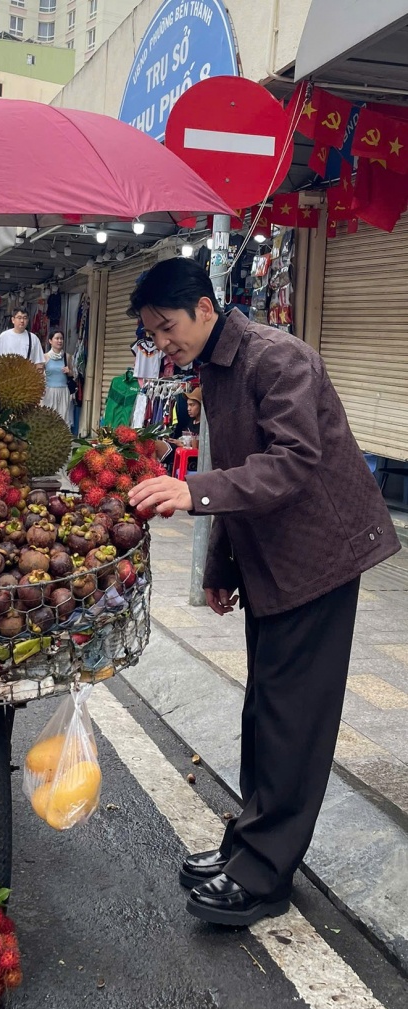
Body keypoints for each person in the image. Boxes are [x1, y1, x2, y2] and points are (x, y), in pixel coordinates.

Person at [128, 257, 399, 927]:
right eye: (153, 336)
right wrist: (222, 565)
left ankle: (265, 874)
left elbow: (291, 461)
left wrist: (190, 493)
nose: (163, 345)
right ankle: (249, 844)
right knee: (265, 710)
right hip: (271, 556)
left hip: (320, 556)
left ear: (203, 307)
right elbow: (236, 464)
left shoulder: (278, 358)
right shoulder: (217, 367)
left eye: (167, 329)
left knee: (293, 720)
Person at [155, 388, 202, 468]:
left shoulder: (204, 427)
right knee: (151, 444)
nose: (188, 409)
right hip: (180, 451)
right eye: (188, 405)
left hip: (190, 459)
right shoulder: (191, 422)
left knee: (155, 445)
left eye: (192, 405)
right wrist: (178, 441)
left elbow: (200, 449)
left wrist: (183, 444)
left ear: (201, 406)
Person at [41, 329, 74, 426]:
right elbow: (39, 375)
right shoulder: (45, 357)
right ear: (50, 341)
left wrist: (69, 371)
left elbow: (73, 375)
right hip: (49, 392)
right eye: (57, 338)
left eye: (61, 339)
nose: (60, 341)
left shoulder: (67, 357)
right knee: (48, 418)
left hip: (63, 391)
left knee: (63, 418)